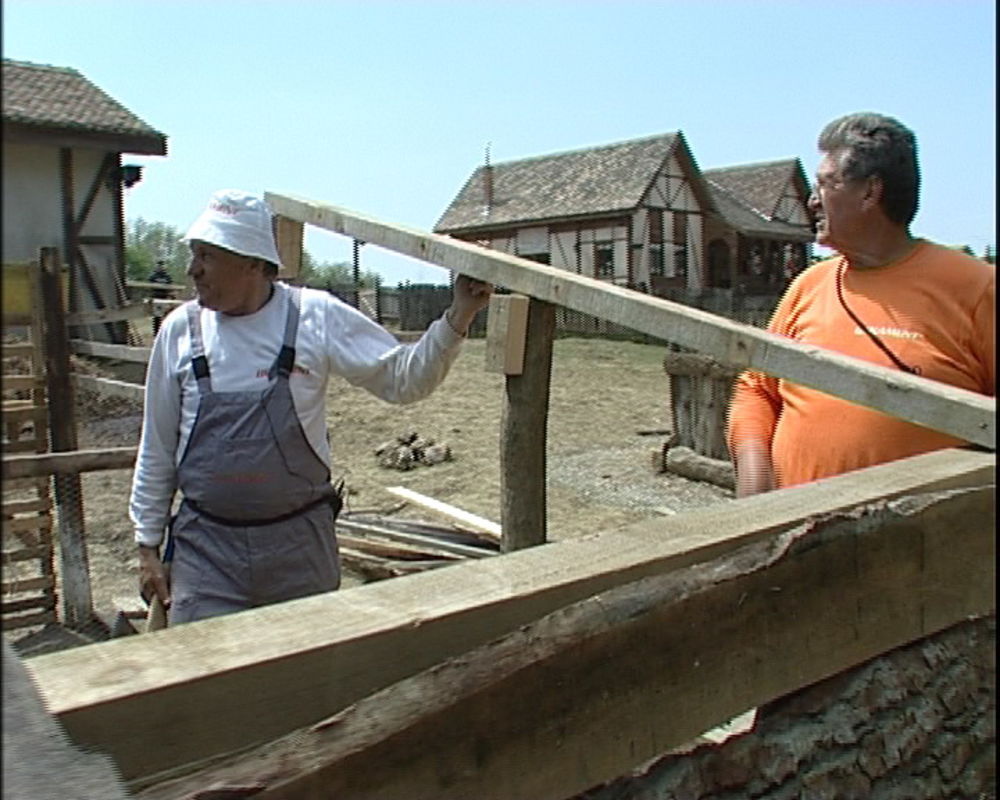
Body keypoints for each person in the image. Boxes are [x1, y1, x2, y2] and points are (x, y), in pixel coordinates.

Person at [130, 189, 492, 624]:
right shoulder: (178, 332)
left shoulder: (313, 318)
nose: (192, 270)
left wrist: (460, 315)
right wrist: (147, 546)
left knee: (309, 682)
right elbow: (156, 448)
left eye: (206, 255)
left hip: (297, 552)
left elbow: (403, 379)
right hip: (207, 555)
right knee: (210, 686)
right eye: (194, 254)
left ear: (250, 260)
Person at [727, 112, 994, 497]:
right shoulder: (809, 285)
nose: (811, 200)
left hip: (920, 547)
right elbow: (757, 390)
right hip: (792, 539)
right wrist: (754, 480)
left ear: (870, 192)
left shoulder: (977, 288)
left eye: (825, 183)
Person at [148, 260, 173, 336]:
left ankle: (164, 331)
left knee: (165, 315)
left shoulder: (167, 277)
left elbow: (170, 286)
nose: (160, 267)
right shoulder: (153, 276)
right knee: (156, 316)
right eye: (159, 266)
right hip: (156, 297)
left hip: (164, 298)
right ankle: (156, 333)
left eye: (162, 266)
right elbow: (149, 285)